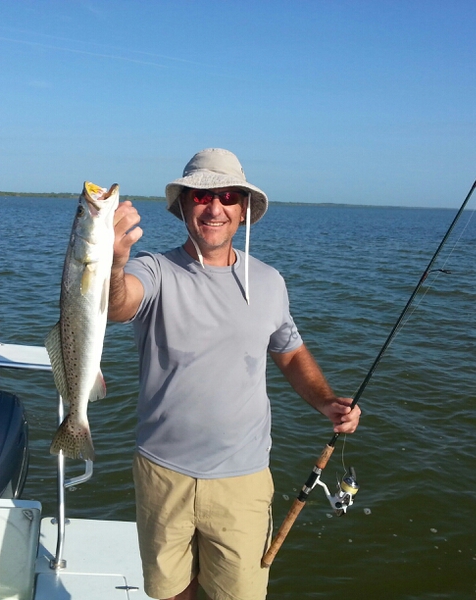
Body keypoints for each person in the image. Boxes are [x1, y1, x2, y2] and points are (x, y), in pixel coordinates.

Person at [109, 148, 361, 600]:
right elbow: (117, 305)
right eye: (201, 196)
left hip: (243, 480)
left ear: (243, 210)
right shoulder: (153, 268)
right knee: (171, 593)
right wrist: (111, 263)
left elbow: (290, 352)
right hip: (162, 473)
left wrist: (326, 401)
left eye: (227, 196)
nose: (215, 207)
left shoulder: (269, 281)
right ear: (183, 206)